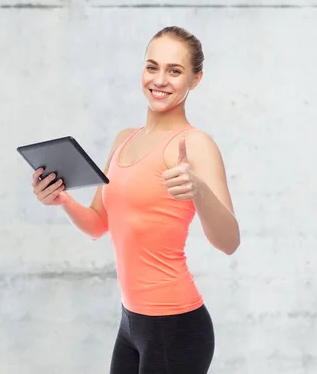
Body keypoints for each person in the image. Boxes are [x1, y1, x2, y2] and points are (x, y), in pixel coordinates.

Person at [31, 26, 240, 374]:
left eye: (175, 71)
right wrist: (62, 199)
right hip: (131, 324)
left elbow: (229, 242)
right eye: (152, 66)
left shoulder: (195, 144)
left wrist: (199, 191)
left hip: (176, 326)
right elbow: (98, 224)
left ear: (196, 79)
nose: (159, 80)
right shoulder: (124, 140)